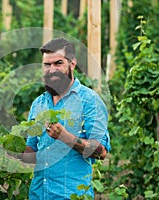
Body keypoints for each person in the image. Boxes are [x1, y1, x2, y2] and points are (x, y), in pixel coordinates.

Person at [21, 38, 111, 199]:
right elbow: (32, 150)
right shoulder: (38, 104)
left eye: (58, 63)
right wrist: (7, 151)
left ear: (72, 64)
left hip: (71, 195)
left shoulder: (89, 101)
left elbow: (101, 152)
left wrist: (64, 136)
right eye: (47, 65)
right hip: (38, 194)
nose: (52, 69)